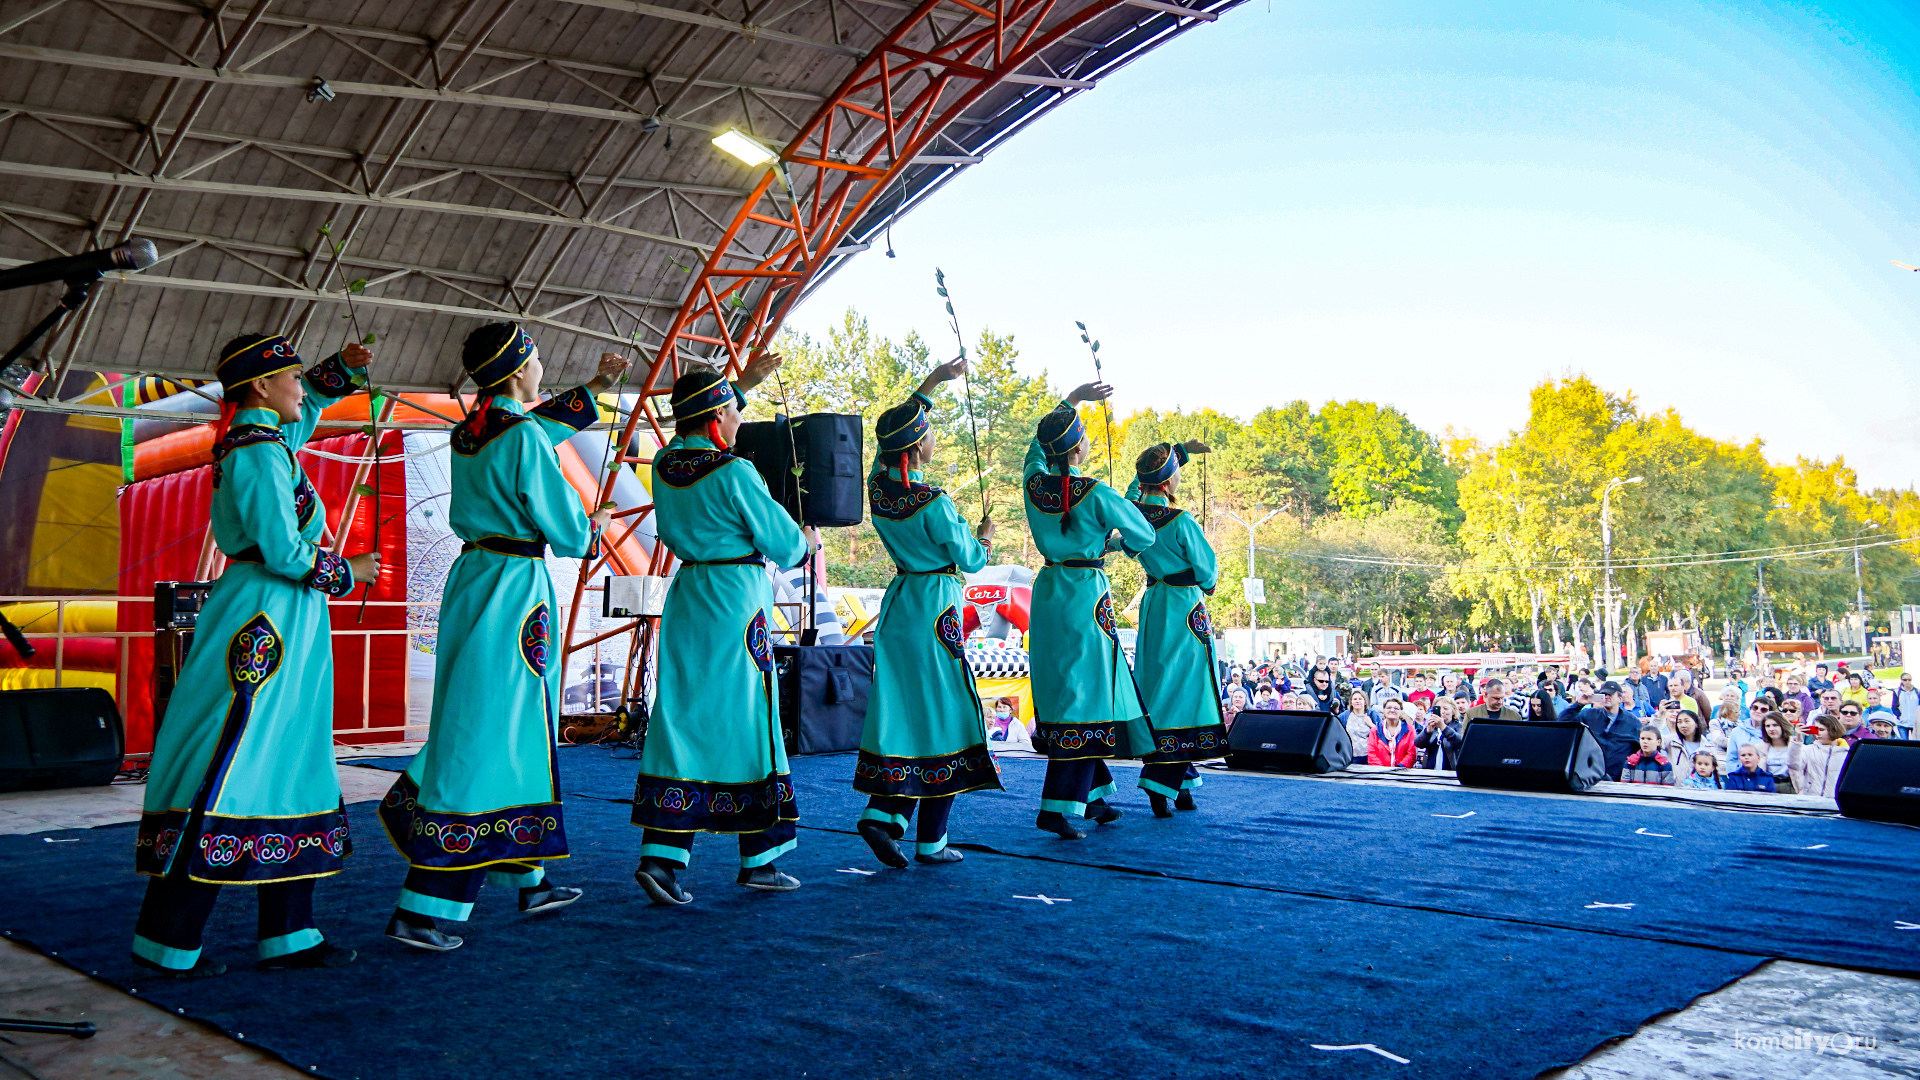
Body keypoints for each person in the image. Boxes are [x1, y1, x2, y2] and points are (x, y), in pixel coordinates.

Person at [133, 336, 379, 977]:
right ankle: (168, 939)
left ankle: (288, 934)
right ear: (263, 387)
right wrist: (347, 570)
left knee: (285, 759)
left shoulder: (260, 442)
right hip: (265, 619)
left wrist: (341, 373)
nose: (304, 389)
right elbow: (282, 547)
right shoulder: (258, 452)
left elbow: (305, 417)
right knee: (235, 760)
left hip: (280, 616)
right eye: (295, 378)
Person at [379, 326, 620, 951]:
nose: (544, 367)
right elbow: (568, 532)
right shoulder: (521, 438)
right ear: (518, 371)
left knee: (502, 721)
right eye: (537, 359)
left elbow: (533, 432)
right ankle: (425, 905)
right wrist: (592, 525)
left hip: (474, 579)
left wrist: (592, 390)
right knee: (490, 731)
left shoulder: (471, 432)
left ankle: (528, 874)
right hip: (515, 590)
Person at [629, 359, 812, 904]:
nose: (738, 420)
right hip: (736, 602)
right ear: (714, 417)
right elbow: (785, 545)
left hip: (688, 599)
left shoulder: (664, 465)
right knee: (750, 720)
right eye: (732, 411)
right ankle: (761, 858)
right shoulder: (735, 473)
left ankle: (662, 857)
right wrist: (802, 537)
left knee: (682, 718)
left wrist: (742, 384)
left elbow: (704, 421)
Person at [849, 362, 1004, 868]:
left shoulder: (880, 492)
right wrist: (982, 536)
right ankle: (931, 841)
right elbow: (973, 561)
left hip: (900, 607)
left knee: (910, 717)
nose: (934, 439)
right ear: (916, 448)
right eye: (930, 434)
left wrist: (932, 384)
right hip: (937, 608)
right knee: (949, 718)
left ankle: (887, 817)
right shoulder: (933, 501)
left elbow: (878, 456)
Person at [1023, 386, 1157, 839]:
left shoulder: (1034, 483)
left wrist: (1071, 399)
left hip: (1047, 593)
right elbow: (1144, 533)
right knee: (1086, 697)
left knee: (1067, 690)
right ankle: (1056, 808)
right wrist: (1121, 544)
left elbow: (1034, 452)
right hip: (1084, 595)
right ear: (1079, 446)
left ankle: (1094, 797)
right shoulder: (1095, 491)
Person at [1121, 439, 1226, 817]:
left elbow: (1136, 489)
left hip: (1155, 602)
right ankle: (1160, 782)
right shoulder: (1181, 521)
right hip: (1184, 606)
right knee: (1187, 688)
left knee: (1159, 684)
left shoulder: (1132, 515)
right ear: (1168, 484)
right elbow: (1207, 570)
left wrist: (1176, 453)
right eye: (1176, 473)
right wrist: (1209, 585)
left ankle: (1181, 786)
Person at [1570, 681, 1640, 779]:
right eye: (1604, 694)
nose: (1606, 697)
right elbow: (1563, 722)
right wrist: (1578, 704)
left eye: (1610, 694)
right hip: (1590, 776)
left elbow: (1641, 749)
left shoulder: (1632, 722)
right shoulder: (1589, 715)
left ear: (1620, 698)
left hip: (1618, 779)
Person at [1792, 713, 1851, 797]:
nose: (1818, 733)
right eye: (1815, 729)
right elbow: (1794, 765)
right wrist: (1797, 741)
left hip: (1835, 800)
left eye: (1822, 730)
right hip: (1811, 799)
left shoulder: (1846, 753)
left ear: (1833, 729)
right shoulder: (1809, 749)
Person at [1415, 696, 1463, 770]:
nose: (1442, 712)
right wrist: (1427, 732)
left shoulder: (1459, 726)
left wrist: (1443, 727)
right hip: (1430, 771)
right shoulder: (1432, 726)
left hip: (1451, 771)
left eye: (1446, 709)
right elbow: (1418, 743)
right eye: (1439, 709)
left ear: (1453, 711)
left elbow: (1459, 742)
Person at [1366, 698, 1419, 767]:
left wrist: (1399, 769)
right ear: (1384, 711)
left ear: (1401, 712)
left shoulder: (1409, 729)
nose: (1392, 710)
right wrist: (1382, 770)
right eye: (1388, 708)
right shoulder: (1375, 730)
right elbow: (1371, 753)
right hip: (1380, 773)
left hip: (1402, 773)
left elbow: (1412, 753)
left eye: (1396, 708)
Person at [1662, 707, 1708, 785]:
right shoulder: (1672, 740)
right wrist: (1658, 717)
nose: (1683, 725)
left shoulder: (1706, 746)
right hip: (1675, 789)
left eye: (1687, 721)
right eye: (1679, 722)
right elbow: (1654, 739)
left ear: (1696, 723)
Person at [1757, 713, 1800, 794]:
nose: (1771, 729)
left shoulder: (1794, 745)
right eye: (1768, 726)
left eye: (1775, 725)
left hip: (1790, 786)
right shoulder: (1760, 748)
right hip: (1769, 786)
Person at [1892, 671, 1918, 739]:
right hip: (1902, 723)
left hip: (1915, 723)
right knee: (1904, 743)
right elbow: (1894, 706)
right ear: (1901, 680)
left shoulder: (1917, 692)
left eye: (1909, 680)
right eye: (1905, 680)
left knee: (1915, 744)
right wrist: (1899, 716)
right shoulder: (1897, 692)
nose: (1907, 681)